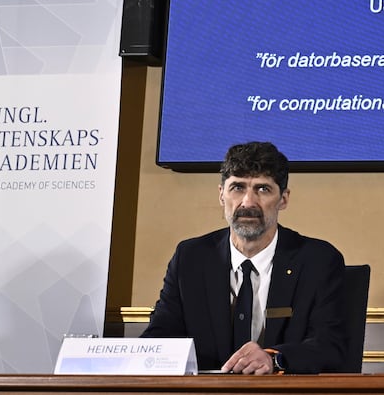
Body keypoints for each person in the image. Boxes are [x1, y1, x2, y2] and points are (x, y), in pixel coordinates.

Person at [143, 141, 348, 373]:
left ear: (283, 199)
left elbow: (331, 347)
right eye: (238, 188)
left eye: (263, 189)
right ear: (222, 195)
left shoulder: (317, 261)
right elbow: (160, 337)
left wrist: (274, 359)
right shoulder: (191, 258)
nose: (248, 202)